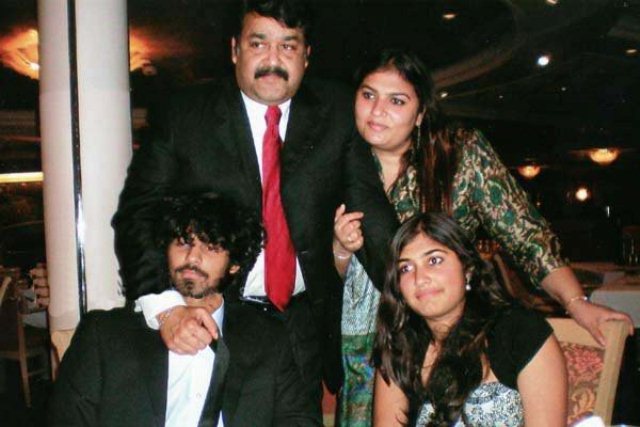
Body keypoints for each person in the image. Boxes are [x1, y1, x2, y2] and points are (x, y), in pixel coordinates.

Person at [111, 0, 396, 421]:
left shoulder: (335, 110)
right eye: (259, 44)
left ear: (306, 56)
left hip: (301, 327)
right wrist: (166, 308)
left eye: (288, 46)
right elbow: (138, 214)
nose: (273, 61)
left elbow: (370, 209)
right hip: (208, 316)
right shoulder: (186, 115)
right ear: (235, 50)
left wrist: (415, 293)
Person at [332, 48, 633, 425]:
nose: (378, 111)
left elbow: (526, 234)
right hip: (371, 343)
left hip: (451, 333)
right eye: (368, 95)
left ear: (421, 112)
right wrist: (341, 252)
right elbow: (333, 274)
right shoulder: (338, 163)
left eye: (397, 100)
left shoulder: (458, 154)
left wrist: (575, 301)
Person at [50, 193, 294, 426]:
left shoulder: (269, 339)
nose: (192, 258)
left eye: (211, 247)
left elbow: (297, 419)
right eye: (183, 243)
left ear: (235, 264)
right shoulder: (104, 335)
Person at [373, 213, 567, 426]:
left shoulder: (521, 332)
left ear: (467, 269)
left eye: (434, 260)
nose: (420, 279)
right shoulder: (399, 346)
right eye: (406, 268)